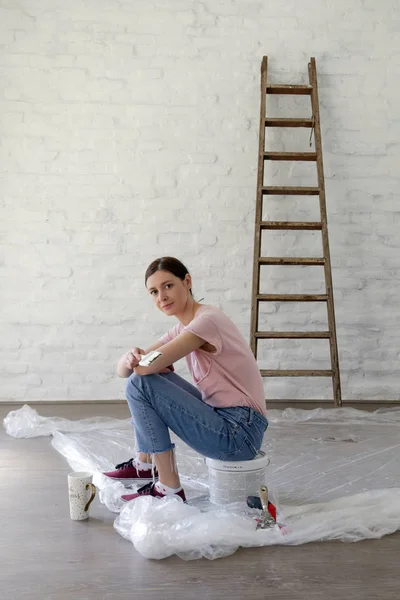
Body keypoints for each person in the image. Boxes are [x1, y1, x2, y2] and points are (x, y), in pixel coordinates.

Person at [104, 257, 268, 503]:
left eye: (168, 286)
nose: (162, 296)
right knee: (142, 380)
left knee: (143, 383)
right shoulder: (184, 328)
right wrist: (130, 357)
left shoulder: (206, 321)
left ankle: (167, 485)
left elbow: (145, 371)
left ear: (187, 282)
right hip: (228, 421)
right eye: (154, 292)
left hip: (239, 433)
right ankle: (145, 462)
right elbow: (125, 371)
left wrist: (147, 363)